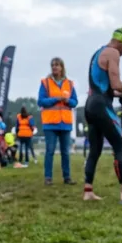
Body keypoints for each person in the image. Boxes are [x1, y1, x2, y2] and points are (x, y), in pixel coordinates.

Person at [83, 28, 122, 202]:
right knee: (121, 147)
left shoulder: (98, 53)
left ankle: (88, 191)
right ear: (120, 41)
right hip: (101, 106)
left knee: (95, 150)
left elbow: (106, 87)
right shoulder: (113, 52)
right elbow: (116, 84)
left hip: (90, 105)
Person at [38, 57, 78, 185]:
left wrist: (67, 101)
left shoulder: (69, 84)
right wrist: (56, 99)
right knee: (50, 151)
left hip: (65, 124)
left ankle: (67, 177)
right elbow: (41, 101)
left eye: (57, 65)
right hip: (50, 124)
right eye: (53, 65)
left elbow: (75, 102)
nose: (54, 67)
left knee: (65, 152)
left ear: (62, 67)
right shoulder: (45, 83)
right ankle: (48, 177)